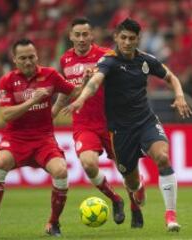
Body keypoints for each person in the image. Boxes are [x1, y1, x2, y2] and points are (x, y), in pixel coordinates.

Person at [66, 18, 192, 232]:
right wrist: (81, 98)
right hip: (120, 131)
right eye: (123, 38)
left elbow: (171, 77)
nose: (126, 42)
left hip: (146, 121)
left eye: (131, 39)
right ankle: (138, 187)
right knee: (132, 182)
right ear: (116, 37)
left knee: (162, 157)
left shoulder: (146, 60)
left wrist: (179, 96)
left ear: (138, 40)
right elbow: (96, 81)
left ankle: (170, 214)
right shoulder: (109, 61)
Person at [0, 38, 81, 237]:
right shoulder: (7, 81)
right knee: (0, 161)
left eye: (31, 57)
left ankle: (54, 223)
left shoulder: (50, 75)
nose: (28, 61)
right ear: (15, 60)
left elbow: (73, 90)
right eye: (22, 58)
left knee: (60, 171)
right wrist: (33, 99)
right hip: (16, 137)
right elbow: (6, 115)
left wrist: (87, 82)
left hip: (44, 139)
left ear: (37, 56)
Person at [53, 17, 144, 228]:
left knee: (126, 170)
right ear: (71, 36)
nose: (82, 39)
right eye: (77, 35)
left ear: (92, 35)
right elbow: (66, 92)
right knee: (88, 163)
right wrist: (54, 112)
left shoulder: (107, 55)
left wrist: (99, 77)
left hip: (112, 121)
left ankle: (135, 207)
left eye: (86, 34)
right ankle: (116, 199)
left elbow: (123, 82)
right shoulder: (65, 60)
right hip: (84, 123)